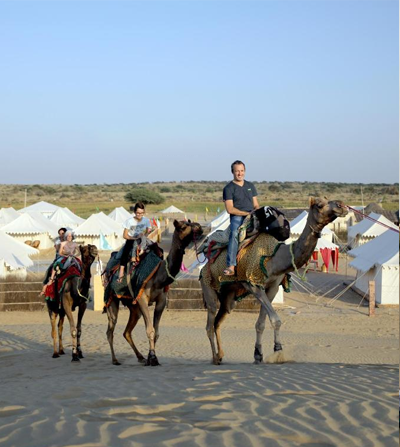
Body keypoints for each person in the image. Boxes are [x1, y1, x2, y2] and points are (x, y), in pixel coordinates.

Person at [223, 160, 259, 276]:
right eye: (237, 171)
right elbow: (230, 209)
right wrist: (245, 214)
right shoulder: (228, 188)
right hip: (237, 217)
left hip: (252, 215)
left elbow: (256, 204)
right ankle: (231, 265)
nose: (240, 173)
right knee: (234, 233)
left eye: (242, 171)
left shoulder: (250, 186)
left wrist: (256, 212)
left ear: (245, 171)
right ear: (232, 172)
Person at [117, 202, 152, 282]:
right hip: (131, 239)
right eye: (138, 213)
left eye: (142, 213)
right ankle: (121, 270)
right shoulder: (129, 221)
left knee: (155, 247)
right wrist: (134, 238)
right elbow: (125, 235)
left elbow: (147, 233)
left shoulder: (146, 220)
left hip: (142, 239)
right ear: (134, 212)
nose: (140, 215)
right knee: (126, 251)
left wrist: (145, 234)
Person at [40, 231, 80, 295]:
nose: (69, 237)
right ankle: (51, 279)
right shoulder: (63, 243)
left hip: (72, 257)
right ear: (66, 237)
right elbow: (60, 253)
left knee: (80, 264)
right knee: (57, 263)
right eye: (68, 236)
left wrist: (74, 255)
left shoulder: (75, 244)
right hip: (64, 257)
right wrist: (66, 255)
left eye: (70, 236)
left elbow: (79, 252)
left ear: (72, 237)